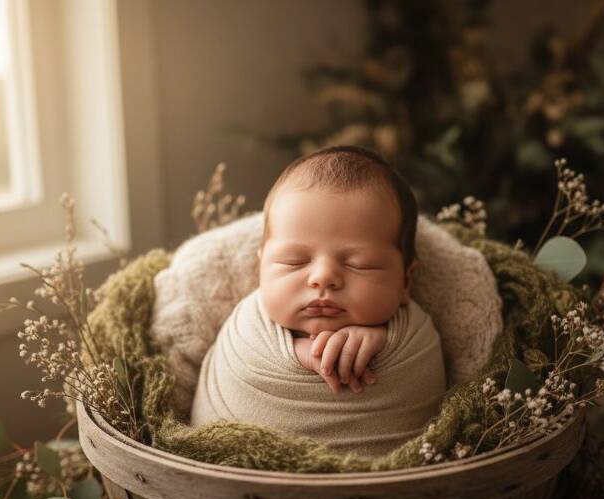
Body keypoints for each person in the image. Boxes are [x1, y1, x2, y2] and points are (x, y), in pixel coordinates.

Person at [189, 145, 447, 456]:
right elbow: (243, 360)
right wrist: (300, 354)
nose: (323, 277)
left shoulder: (415, 333)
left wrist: (382, 341)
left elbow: (421, 375)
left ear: (406, 280)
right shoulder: (247, 325)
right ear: (261, 268)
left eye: (359, 264)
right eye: (294, 261)